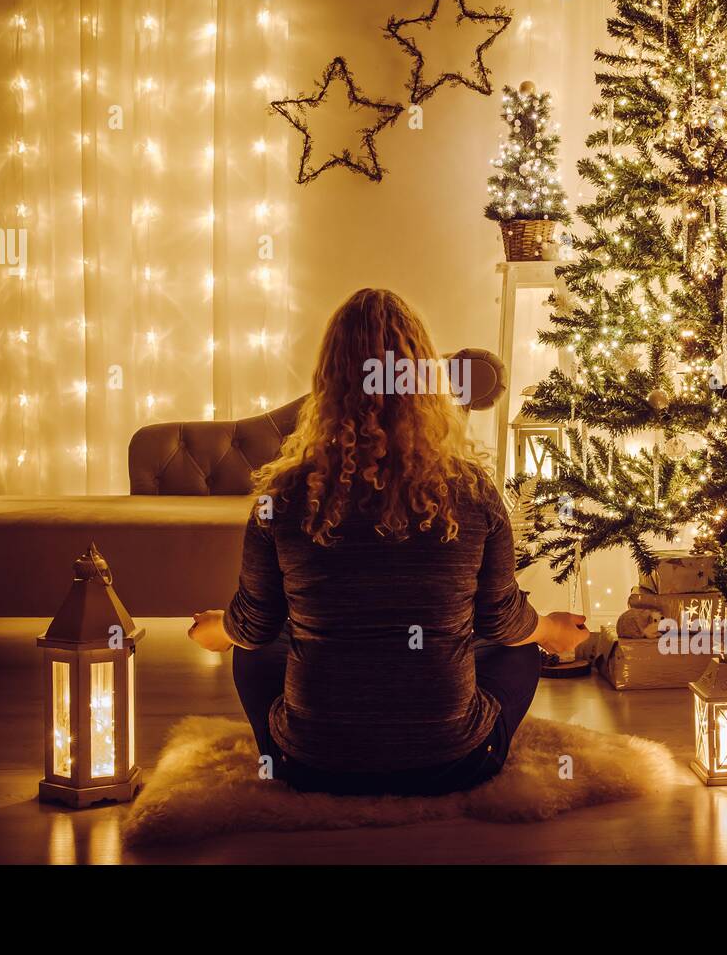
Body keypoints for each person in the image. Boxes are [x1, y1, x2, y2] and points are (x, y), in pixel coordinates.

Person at [188, 288, 588, 795]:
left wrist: (220, 630)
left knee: (253, 650)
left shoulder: (284, 494)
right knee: (520, 650)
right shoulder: (470, 488)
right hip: (454, 763)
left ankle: (308, 744)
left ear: (326, 383)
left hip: (309, 764)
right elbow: (502, 623)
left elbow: (254, 625)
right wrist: (550, 629)